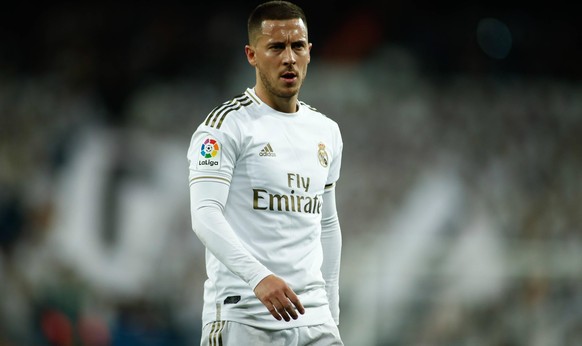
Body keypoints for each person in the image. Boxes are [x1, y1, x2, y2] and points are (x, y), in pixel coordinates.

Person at [187, 1, 344, 345]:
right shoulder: (224, 127)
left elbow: (328, 225)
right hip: (245, 317)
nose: (289, 57)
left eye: (297, 46)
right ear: (251, 55)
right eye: (276, 46)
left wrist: (330, 313)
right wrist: (259, 278)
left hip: (314, 320)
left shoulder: (326, 131)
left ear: (309, 52)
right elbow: (205, 214)